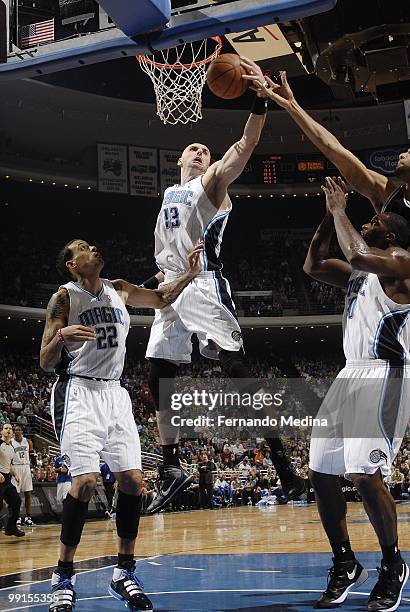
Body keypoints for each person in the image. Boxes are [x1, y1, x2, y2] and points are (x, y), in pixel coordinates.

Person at [142, 57, 304, 514]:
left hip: (205, 286)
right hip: (172, 288)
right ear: (178, 159)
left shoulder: (212, 184)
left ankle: (286, 470)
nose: (200, 152)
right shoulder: (168, 198)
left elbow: (245, 144)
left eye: (205, 151)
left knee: (239, 378)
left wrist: (257, 97)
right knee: (159, 374)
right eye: (192, 149)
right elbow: (163, 262)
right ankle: (172, 468)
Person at [40, 238, 202, 612]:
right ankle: (63, 575)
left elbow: (161, 299)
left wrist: (191, 274)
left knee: (132, 481)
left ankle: (124, 571)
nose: (92, 247)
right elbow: (46, 361)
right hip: (78, 391)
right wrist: (61, 335)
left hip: (115, 393)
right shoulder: (64, 298)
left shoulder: (119, 289)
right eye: (82, 247)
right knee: (83, 484)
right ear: (71, 264)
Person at [303, 177, 410, 610]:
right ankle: (345, 561)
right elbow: (313, 264)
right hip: (349, 375)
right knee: (321, 473)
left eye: (378, 218)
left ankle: (393, 564)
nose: (371, 220)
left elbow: (359, 254)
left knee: (365, 475)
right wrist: (328, 217)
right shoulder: (359, 271)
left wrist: (340, 212)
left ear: (394, 235)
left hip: (386, 376)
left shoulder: (402, 261)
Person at [241, 58, 410, 220]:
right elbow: (333, 149)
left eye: (409, 153)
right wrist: (291, 105)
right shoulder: (388, 192)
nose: (403, 154)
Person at [0, 423, 25, 537]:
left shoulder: (11, 447)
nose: (8, 430)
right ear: (2, 431)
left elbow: (9, 464)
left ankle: (11, 528)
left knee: (16, 501)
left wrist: (15, 475)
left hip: (7, 480)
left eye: (10, 429)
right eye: (6, 428)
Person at [11, 425, 34, 526]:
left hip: (26, 467)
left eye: (19, 430)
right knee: (16, 495)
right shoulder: (11, 442)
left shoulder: (28, 441)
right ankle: (18, 517)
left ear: (22, 432)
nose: (17, 431)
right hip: (16, 467)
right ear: (13, 432)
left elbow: (32, 455)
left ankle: (28, 517)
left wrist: (34, 466)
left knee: (28, 493)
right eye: (15, 430)